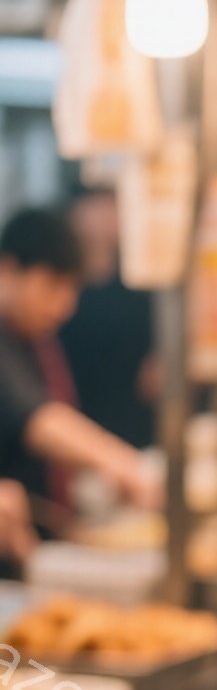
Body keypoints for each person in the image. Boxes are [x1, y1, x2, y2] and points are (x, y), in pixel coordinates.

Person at [0, 207, 159, 515]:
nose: (65, 305)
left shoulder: (33, 339)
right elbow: (37, 418)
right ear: (7, 269)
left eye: (71, 288)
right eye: (53, 285)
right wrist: (129, 468)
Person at [62, 188, 157, 448]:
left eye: (113, 205)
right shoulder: (63, 283)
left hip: (136, 422)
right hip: (77, 417)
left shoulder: (139, 279)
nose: (108, 216)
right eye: (100, 205)